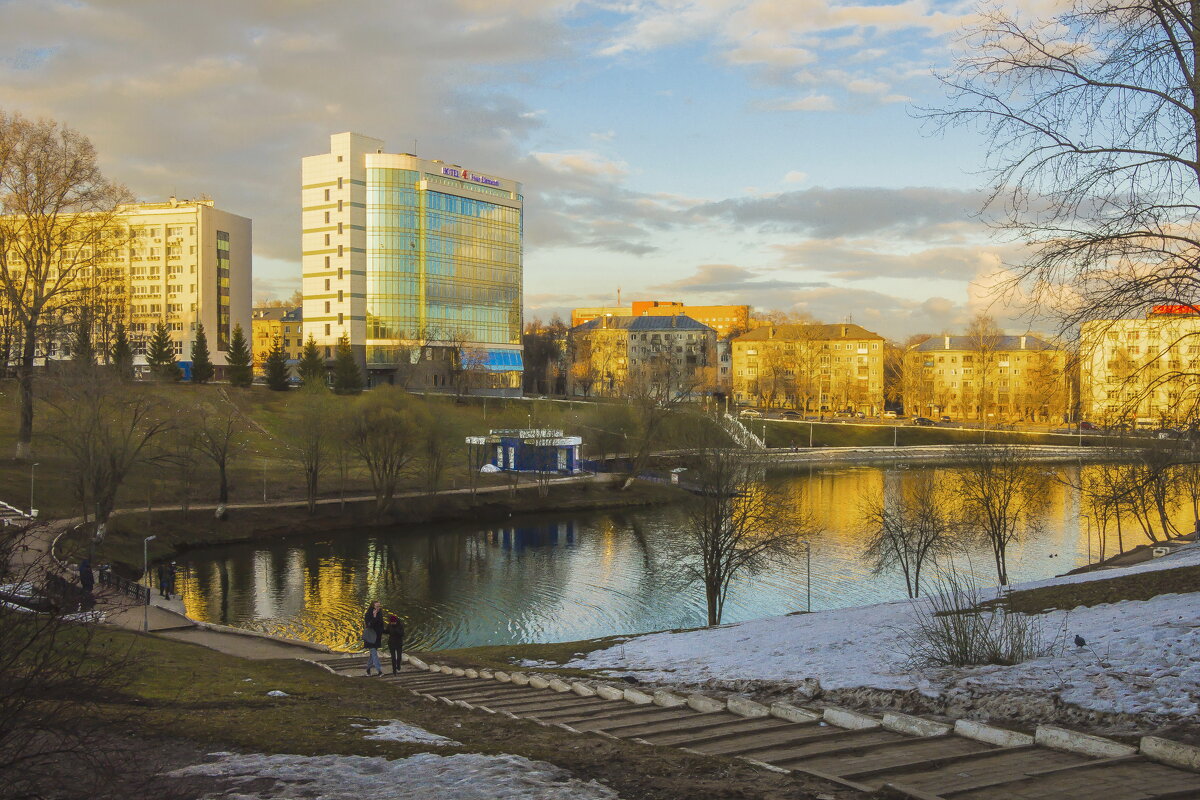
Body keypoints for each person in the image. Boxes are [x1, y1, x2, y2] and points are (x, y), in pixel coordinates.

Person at [363, 600, 385, 676]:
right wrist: (374, 617)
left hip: (377, 637)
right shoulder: (368, 614)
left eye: (379, 606)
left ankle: (368, 670)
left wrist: (382, 633)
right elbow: (369, 626)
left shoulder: (380, 613)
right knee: (374, 654)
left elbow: (381, 625)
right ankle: (379, 671)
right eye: (377, 606)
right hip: (370, 637)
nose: (378, 608)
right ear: (373, 606)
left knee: (372, 654)